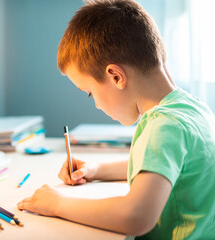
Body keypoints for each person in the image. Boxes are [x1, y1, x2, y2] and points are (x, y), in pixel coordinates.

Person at [17, 0, 215, 239]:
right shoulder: (191, 107)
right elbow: (160, 167)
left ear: (116, 76)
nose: (97, 104)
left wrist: (57, 204)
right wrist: (96, 169)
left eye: (89, 93)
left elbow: (135, 216)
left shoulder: (164, 126)